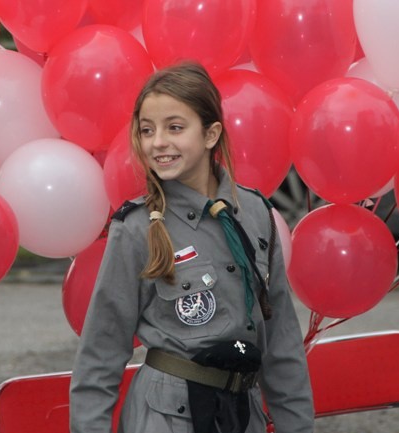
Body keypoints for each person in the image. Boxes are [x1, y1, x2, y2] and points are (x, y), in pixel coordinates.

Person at [70, 61, 314, 433]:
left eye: (175, 128)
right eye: (147, 130)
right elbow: (100, 354)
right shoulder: (137, 228)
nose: (158, 143)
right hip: (165, 419)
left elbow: (281, 345)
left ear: (211, 134)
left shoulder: (255, 214)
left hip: (241, 415)